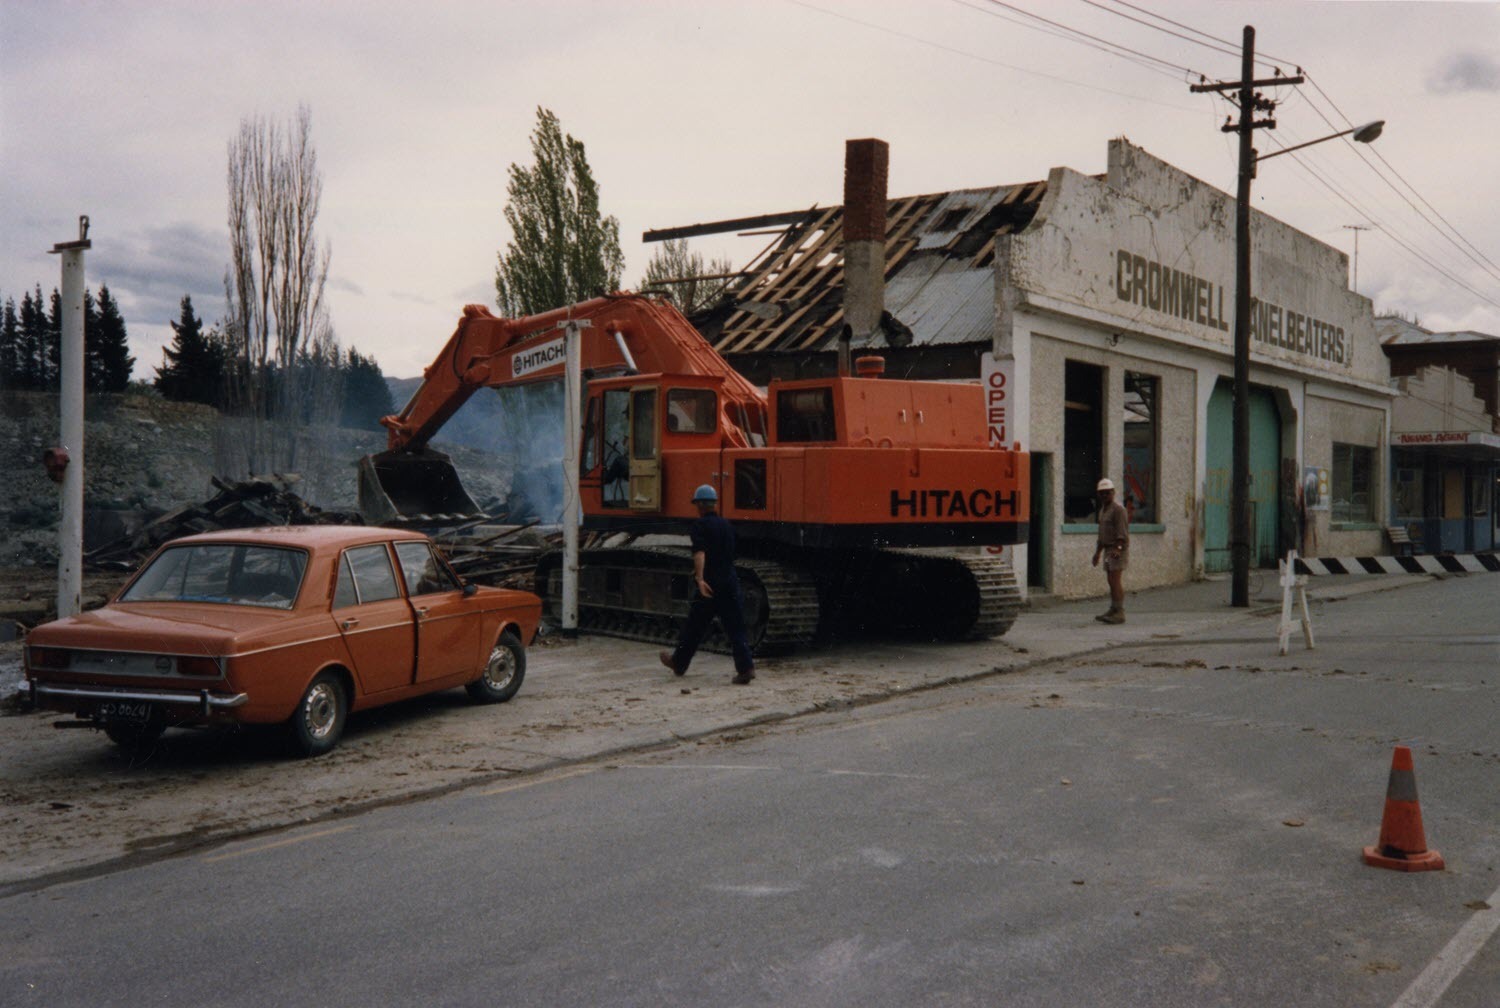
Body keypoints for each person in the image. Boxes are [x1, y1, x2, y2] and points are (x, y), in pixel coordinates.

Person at [659, 484, 756, 684]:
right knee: (735, 626)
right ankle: (746, 668)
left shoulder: (699, 526)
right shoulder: (728, 526)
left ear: (700, 505)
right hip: (729, 581)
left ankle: (679, 663)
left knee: (695, 625)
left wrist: (700, 579)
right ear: (714, 504)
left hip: (710, 584)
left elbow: (700, 553)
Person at [1091, 476, 1129, 624]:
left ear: (1113, 492)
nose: (1105, 495)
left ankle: (1119, 612)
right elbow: (1102, 535)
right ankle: (1113, 608)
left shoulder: (1118, 510)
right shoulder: (1103, 510)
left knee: (1115, 579)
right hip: (1107, 549)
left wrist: (1118, 549)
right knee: (1110, 579)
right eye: (1102, 493)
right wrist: (1097, 553)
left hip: (1116, 549)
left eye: (1107, 492)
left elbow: (1122, 532)